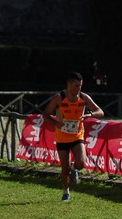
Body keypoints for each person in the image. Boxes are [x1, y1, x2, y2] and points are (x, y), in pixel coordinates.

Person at [43, 71, 104, 201]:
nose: (79, 88)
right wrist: (56, 123)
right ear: (69, 84)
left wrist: (90, 115)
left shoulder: (83, 97)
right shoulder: (58, 97)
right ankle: (66, 192)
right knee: (64, 168)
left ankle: (74, 168)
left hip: (77, 136)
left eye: (80, 86)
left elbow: (100, 111)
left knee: (81, 163)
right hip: (62, 138)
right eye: (76, 85)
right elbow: (46, 114)